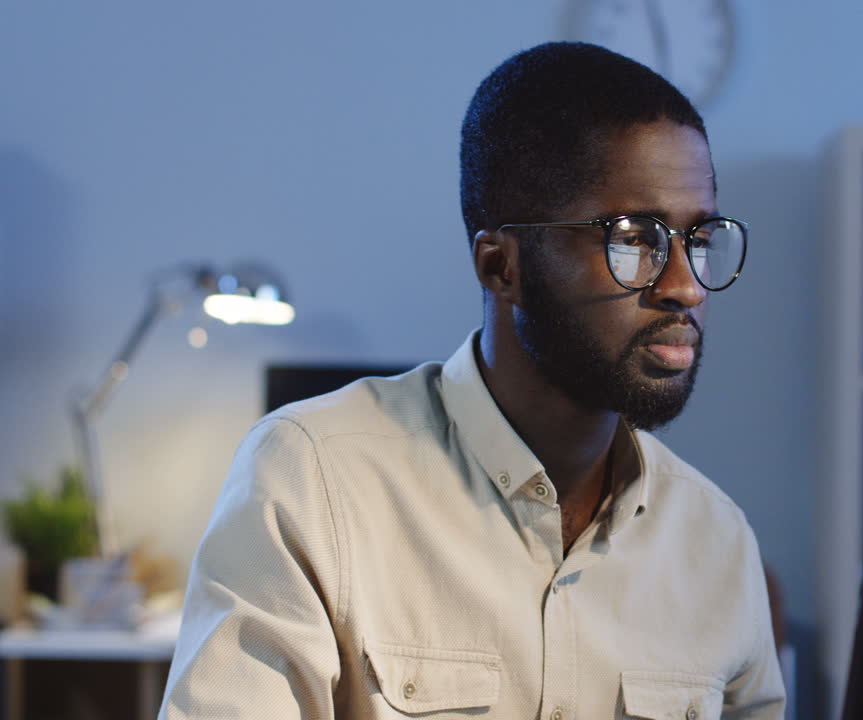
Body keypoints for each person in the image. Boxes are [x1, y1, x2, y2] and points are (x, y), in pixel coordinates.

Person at [160, 42, 785, 719]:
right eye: (634, 238)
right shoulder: (313, 481)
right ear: (500, 266)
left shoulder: (716, 544)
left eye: (699, 237)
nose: (686, 287)